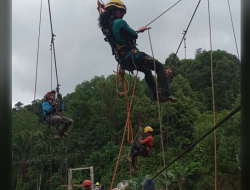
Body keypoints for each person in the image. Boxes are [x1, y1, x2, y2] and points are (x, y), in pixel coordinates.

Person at [98, 0, 177, 103]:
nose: (122, 14)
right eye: (121, 11)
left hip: (123, 61)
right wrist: (137, 32)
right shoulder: (120, 22)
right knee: (158, 66)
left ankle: (155, 94)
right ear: (113, 10)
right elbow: (133, 35)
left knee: (147, 70)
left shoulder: (105, 28)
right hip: (133, 57)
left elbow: (121, 36)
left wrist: (136, 31)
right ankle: (165, 93)